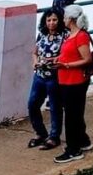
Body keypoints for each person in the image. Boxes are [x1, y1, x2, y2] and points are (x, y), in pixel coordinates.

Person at [54, 4, 93, 163]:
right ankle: (82, 140)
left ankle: (73, 149)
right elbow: (68, 54)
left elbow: (87, 59)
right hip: (66, 79)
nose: (62, 20)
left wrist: (67, 65)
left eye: (64, 17)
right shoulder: (71, 35)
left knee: (71, 116)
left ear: (70, 19)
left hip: (75, 80)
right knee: (75, 113)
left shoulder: (80, 36)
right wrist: (59, 60)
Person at [27, 9, 65, 150]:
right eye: (48, 20)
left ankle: (54, 137)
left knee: (55, 108)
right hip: (39, 76)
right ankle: (40, 133)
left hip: (54, 77)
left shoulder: (64, 36)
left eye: (54, 20)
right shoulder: (42, 34)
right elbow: (35, 52)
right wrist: (35, 62)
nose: (51, 23)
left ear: (59, 20)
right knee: (32, 104)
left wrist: (55, 59)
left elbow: (67, 54)